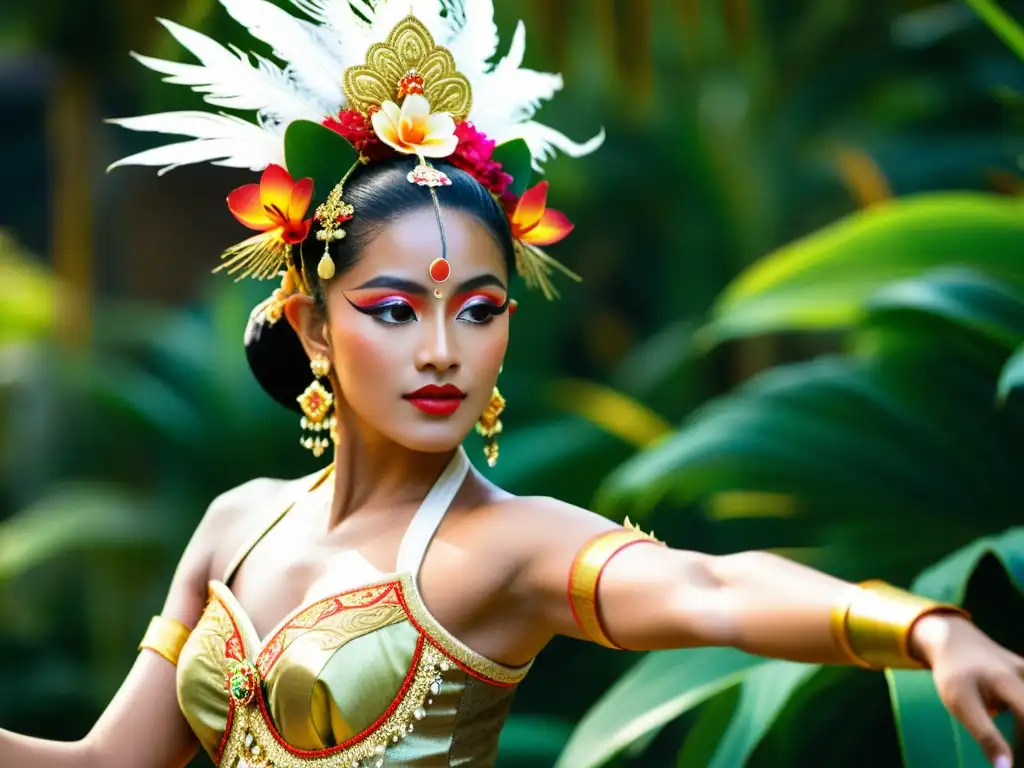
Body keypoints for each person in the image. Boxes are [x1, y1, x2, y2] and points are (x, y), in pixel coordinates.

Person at [3, 2, 1023, 767]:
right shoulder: (239, 523)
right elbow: (105, 764)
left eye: (479, 310)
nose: (443, 349)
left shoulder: (507, 547)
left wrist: (926, 627)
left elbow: (710, 586)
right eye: (394, 309)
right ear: (312, 322)